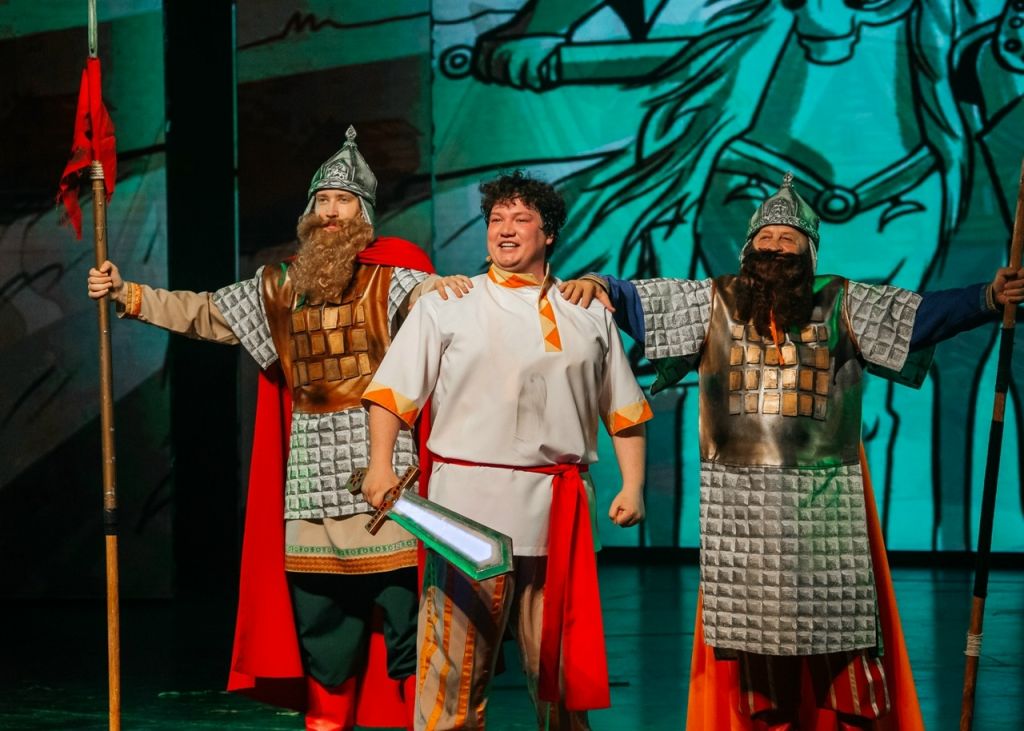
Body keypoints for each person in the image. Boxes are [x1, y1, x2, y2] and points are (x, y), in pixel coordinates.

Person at [559, 172, 1024, 730]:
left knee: (848, 659)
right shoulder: (712, 302)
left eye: (789, 239)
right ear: (748, 248)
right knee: (759, 669)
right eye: (767, 238)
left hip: (826, 507)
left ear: (808, 252)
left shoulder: (842, 301)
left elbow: (919, 317)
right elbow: (638, 301)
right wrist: (599, 283)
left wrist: (986, 298)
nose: (776, 247)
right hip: (740, 512)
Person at [87, 127, 443, 731]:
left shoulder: (397, 279)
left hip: (387, 478)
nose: (331, 212)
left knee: (411, 632)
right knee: (324, 636)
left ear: (365, 213)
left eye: (344, 201)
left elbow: (454, 314)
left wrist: (470, 289)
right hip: (309, 486)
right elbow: (205, 312)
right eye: (322, 201)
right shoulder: (279, 287)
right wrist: (129, 293)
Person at [360, 170, 652, 730]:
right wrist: (380, 465)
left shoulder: (588, 312)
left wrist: (633, 485)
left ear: (549, 234)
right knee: (455, 662)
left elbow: (623, 409)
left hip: (557, 509)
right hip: (466, 508)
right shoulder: (449, 304)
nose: (506, 230)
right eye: (497, 219)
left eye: (521, 219)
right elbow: (394, 394)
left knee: (558, 668)